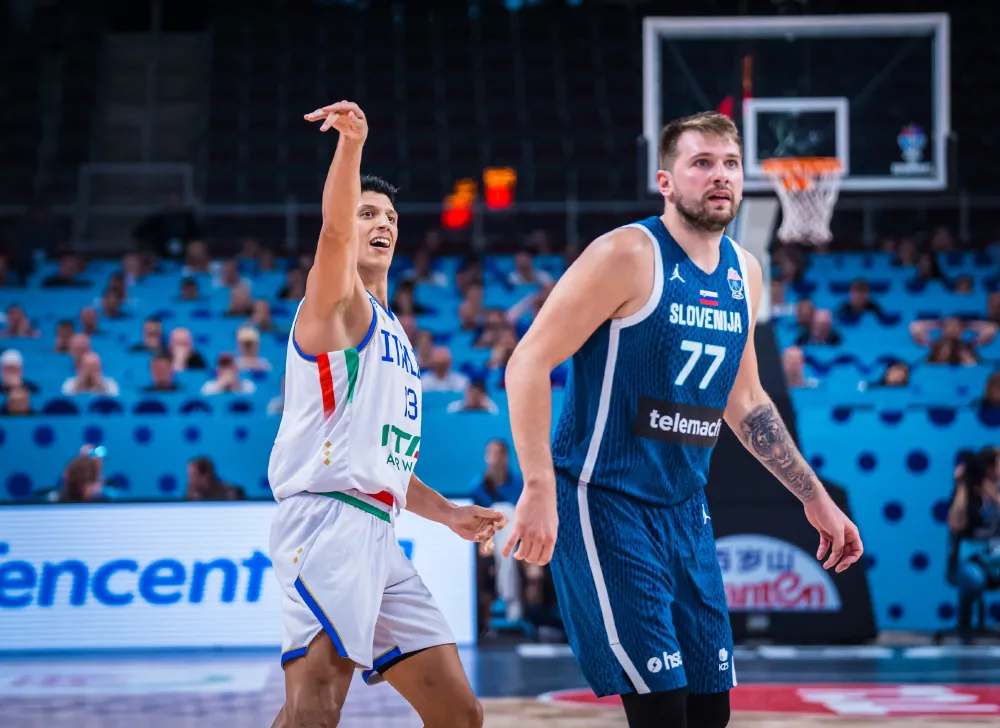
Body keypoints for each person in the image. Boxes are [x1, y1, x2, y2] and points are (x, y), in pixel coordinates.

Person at [501, 111, 863, 728]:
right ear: (666, 181)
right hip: (604, 496)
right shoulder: (626, 253)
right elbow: (527, 364)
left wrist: (816, 498)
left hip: (684, 506)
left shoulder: (745, 272)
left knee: (709, 705)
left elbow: (746, 401)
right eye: (702, 164)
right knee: (661, 703)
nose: (719, 176)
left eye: (730, 164)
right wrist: (537, 488)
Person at [266, 100, 505, 728]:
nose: (384, 223)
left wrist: (450, 514)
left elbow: (389, 458)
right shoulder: (337, 307)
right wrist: (352, 147)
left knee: (459, 713)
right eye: (370, 212)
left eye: (392, 216)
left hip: (379, 529)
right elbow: (333, 235)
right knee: (315, 710)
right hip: (326, 523)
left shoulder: (395, 330)